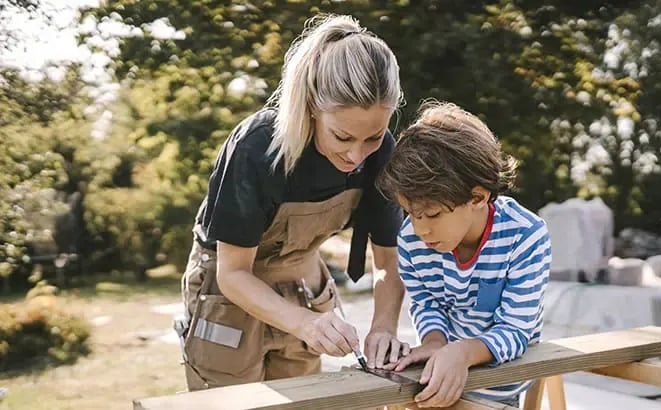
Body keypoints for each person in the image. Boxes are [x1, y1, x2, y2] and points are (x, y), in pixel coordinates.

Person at [177, 14, 408, 391]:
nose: (356, 156)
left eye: (373, 138)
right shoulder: (257, 148)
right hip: (229, 288)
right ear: (313, 106)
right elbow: (233, 273)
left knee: (302, 399)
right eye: (342, 136)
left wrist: (383, 326)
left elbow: (387, 264)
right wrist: (305, 323)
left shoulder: (382, 155)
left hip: (303, 278)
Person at [376, 101, 552, 408]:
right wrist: (434, 342)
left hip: (502, 374)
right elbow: (426, 301)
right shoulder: (411, 239)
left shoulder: (526, 236)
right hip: (443, 365)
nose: (420, 230)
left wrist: (463, 353)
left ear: (477, 197)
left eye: (431, 214)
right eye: (410, 213)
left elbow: (515, 329)